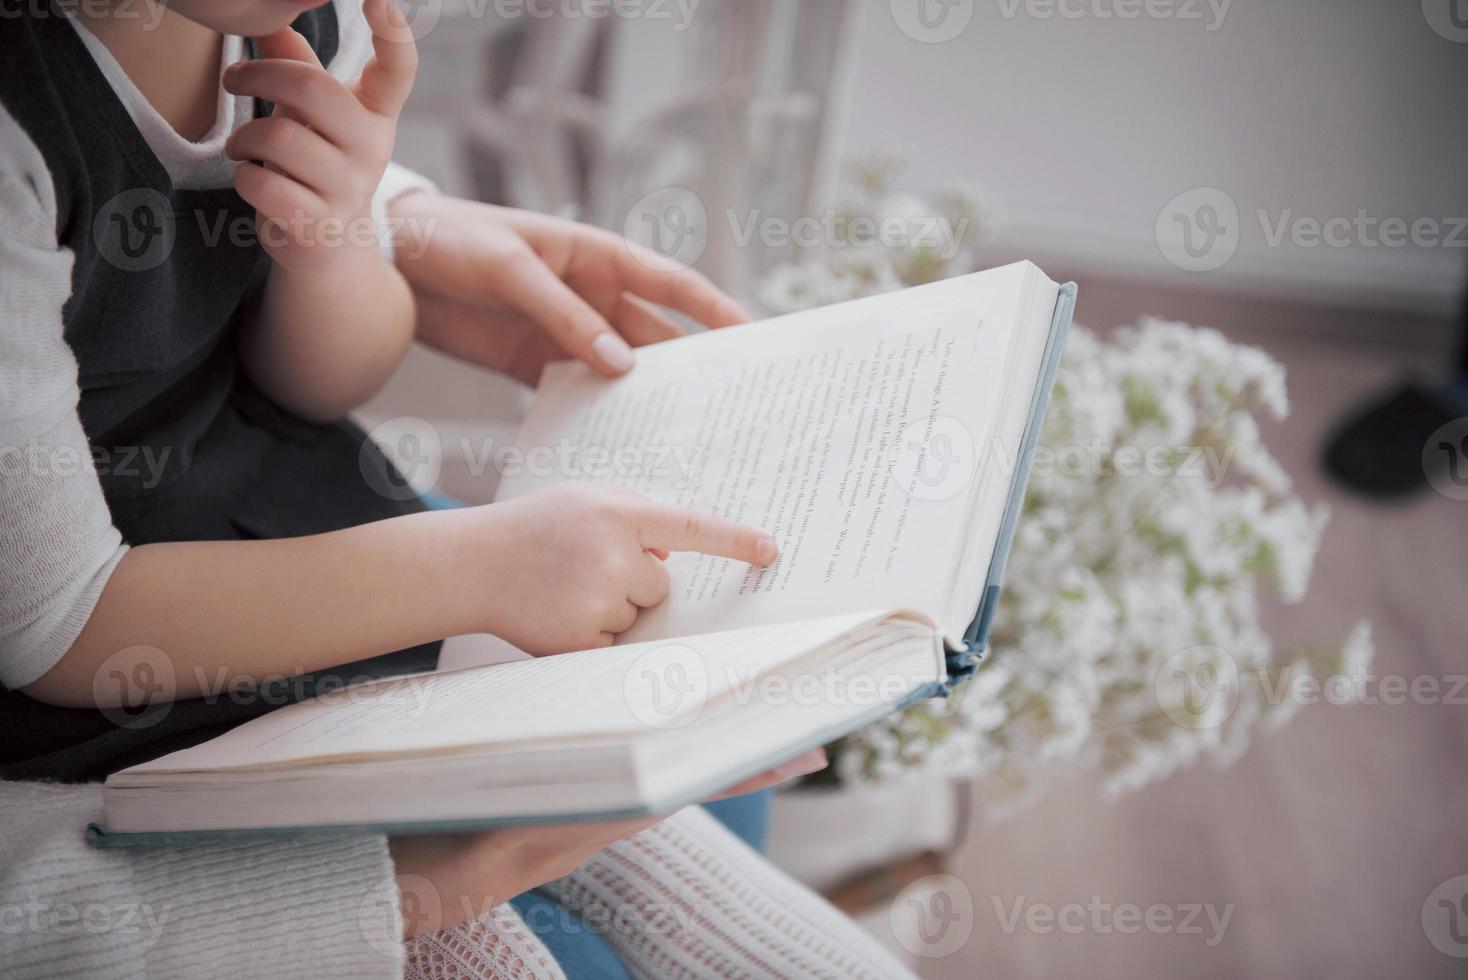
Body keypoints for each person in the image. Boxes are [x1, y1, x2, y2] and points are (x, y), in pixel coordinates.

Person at [0, 1, 915, 976]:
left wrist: (334, 240)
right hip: (119, 683)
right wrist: (481, 564)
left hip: (287, 526)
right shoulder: (25, 126)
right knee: (473, 929)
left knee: (680, 870)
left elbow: (317, 380)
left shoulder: (304, 24)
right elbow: (53, 625)